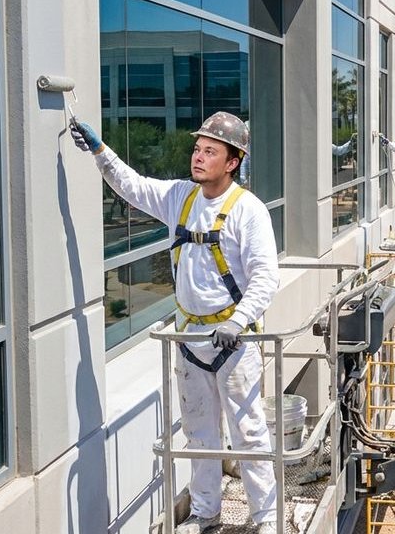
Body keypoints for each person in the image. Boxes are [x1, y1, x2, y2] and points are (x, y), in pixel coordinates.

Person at [70, 113, 280, 534]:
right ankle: (206, 513)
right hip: (189, 340)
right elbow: (132, 185)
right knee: (199, 435)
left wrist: (238, 321)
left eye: (210, 151)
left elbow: (266, 276)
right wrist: (99, 151)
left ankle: (266, 519)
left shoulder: (248, 211)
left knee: (249, 435)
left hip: (233, 345)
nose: (198, 157)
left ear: (233, 161)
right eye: (197, 149)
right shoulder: (180, 197)